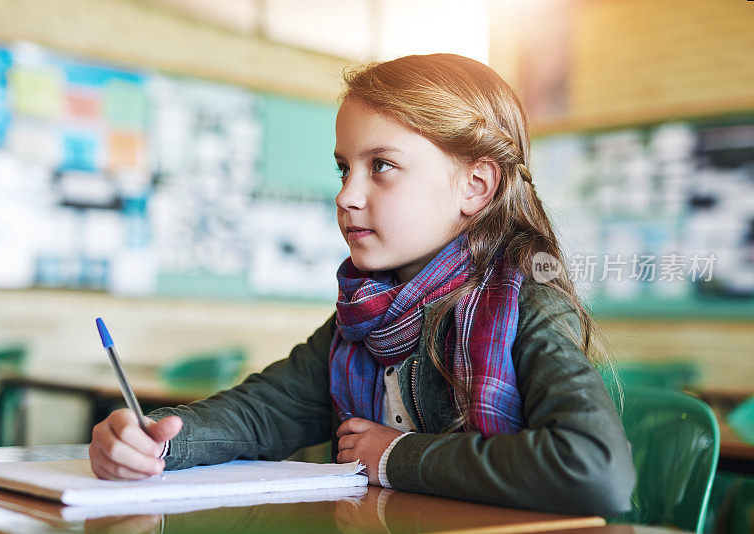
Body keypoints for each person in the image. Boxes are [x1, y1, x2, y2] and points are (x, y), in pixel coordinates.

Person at [88, 53, 635, 516]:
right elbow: (259, 414)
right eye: (343, 167)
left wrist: (396, 455)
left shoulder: (525, 305)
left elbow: (594, 470)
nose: (347, 195)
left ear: (475, 186)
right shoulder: (366, 313)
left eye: (382, 166)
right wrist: (150, 439)